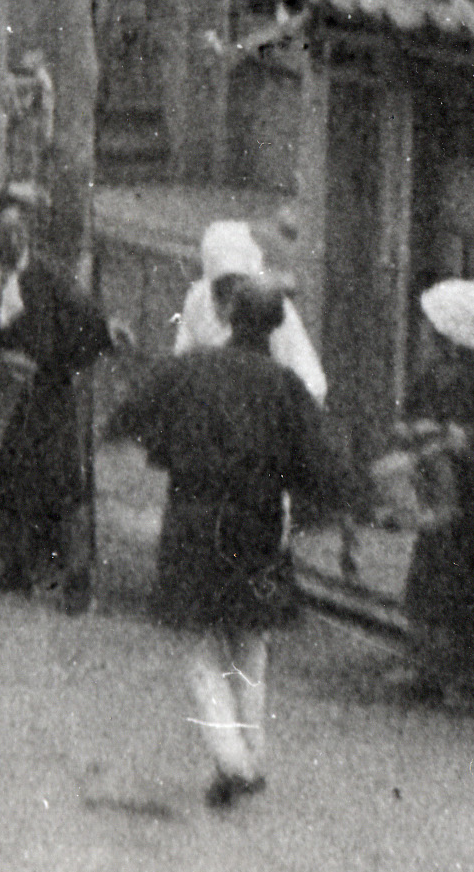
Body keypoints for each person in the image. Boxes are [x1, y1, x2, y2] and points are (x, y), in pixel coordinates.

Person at [115, 269, 356, 805]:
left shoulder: (190, 370)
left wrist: (171, 447)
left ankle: (231, 760)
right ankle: (252, 755)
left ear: (227, 316)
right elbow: (323, 466)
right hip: (259, 523)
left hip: (194, 516)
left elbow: (132, 416)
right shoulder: (286, 387)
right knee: (251, 641)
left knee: (201, 644)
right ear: (276, 326)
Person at [0, 186, 113, 610]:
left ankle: (75, 580)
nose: (15, 238)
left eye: (21, 228)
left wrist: (69, 358)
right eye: (5, 230)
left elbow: (89, 324)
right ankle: (13, 565)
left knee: (60, 484)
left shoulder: (50, 278)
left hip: (46, 397)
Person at [391, 278, 474, 709]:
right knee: (428, 579)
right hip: (437, 488)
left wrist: (449, 436)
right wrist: (410, 432)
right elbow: (411, 413)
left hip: (470, 493)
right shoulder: (434, 374)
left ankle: (471, 677)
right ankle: (429, 668)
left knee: (466, 587)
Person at [170, 216, 327, 402]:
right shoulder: (197, 299)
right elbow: (182, 360)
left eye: (237, 282)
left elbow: (313, 384)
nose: (230, 292)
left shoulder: (271, 306)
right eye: (222, 285)